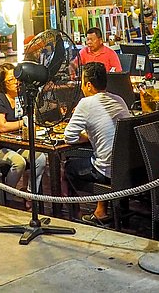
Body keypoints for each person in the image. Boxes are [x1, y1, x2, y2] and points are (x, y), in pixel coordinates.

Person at [64, 62, 130, 226]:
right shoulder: (118, 99)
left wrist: (86, 137)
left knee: (68, 168)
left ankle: (74, 217)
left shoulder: (86, 104)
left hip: (106, 171)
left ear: (88, 84)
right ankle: (100, 211)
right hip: (126, 167)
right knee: (98, 155)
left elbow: (69, 137)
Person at [0, 61, 46, 199]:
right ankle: (9, 196)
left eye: (16, 78)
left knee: (40, 158)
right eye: (10, 79)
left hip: (19, 142)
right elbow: (2, 126)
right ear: (3, 83)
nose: (16, 82)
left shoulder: (22, 95)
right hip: (0, 146)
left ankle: (29, 194)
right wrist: (23, 122)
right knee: (19, 162)